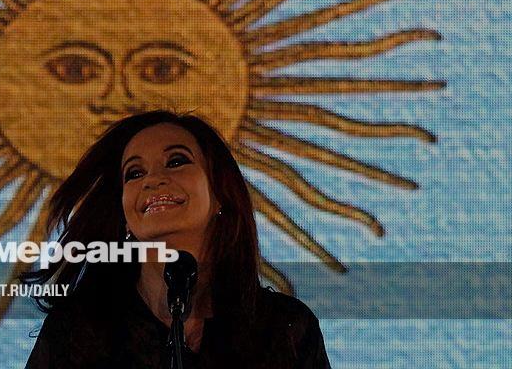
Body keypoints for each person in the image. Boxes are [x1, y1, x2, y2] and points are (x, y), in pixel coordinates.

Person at [22, 111, 331, 368]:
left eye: (176, 161)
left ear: (219, 193)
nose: (153, 179)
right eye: (134, 173)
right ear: (124, 214)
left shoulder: (285, 329)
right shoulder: (77, 332)